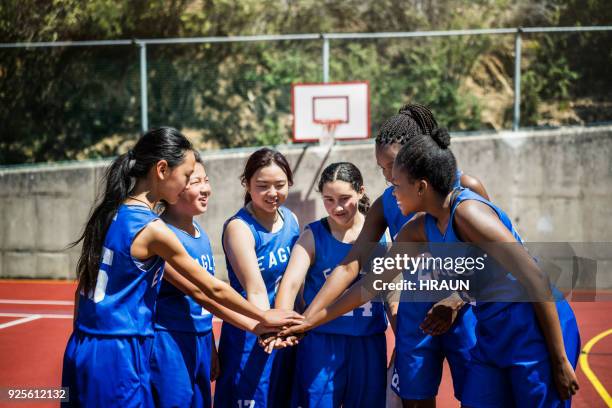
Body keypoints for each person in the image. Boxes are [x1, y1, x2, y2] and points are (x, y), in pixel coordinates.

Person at [283, 128, 581, 407]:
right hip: (492, 332)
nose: (391, 190)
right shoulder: (419, 229)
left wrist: (559, 359)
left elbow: (536, 278)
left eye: (397, 184)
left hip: (534, 328)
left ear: (421, 186)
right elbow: (370, 283)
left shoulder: (469, 213)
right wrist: (311, 321)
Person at [62, 128, 302, 407]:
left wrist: (255, 325)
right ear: (162, 170)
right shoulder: (153, 228)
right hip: (122, 348)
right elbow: (210, 288)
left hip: (84, 343)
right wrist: (264, 317)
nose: (191, 183)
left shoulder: (109, 213)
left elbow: (83, 290)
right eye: (188, 176)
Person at [293, 104, 488, 407]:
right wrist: (308, 319)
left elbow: (492, 260)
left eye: (393, 165)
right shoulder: (389, 201)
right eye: (382, 168)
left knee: (478, 399)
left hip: (463, 312)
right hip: (416, 316)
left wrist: (456, 298)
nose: (388, 175)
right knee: (414, 401)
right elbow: (353, 267)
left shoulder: (464, 189)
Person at [274, 162, 388, 407]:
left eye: (345, 198)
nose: (337, 207)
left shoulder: (381, 235)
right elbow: (291, 283)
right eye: (328, 199)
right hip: (321, 341)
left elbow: (393, 294)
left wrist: (402, 342)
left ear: (361, 191)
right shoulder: (313, 235)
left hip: (368, 341)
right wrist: (282, 322)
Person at [214, 148, 300, 408]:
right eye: (262, 186)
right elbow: (256, 290)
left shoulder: (292, 220)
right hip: (252, 336)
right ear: (247, 185)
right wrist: (268, 330)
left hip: (283, 332)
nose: (272, 193)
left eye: (280, 185)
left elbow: (295, 281)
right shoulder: (239, 228)